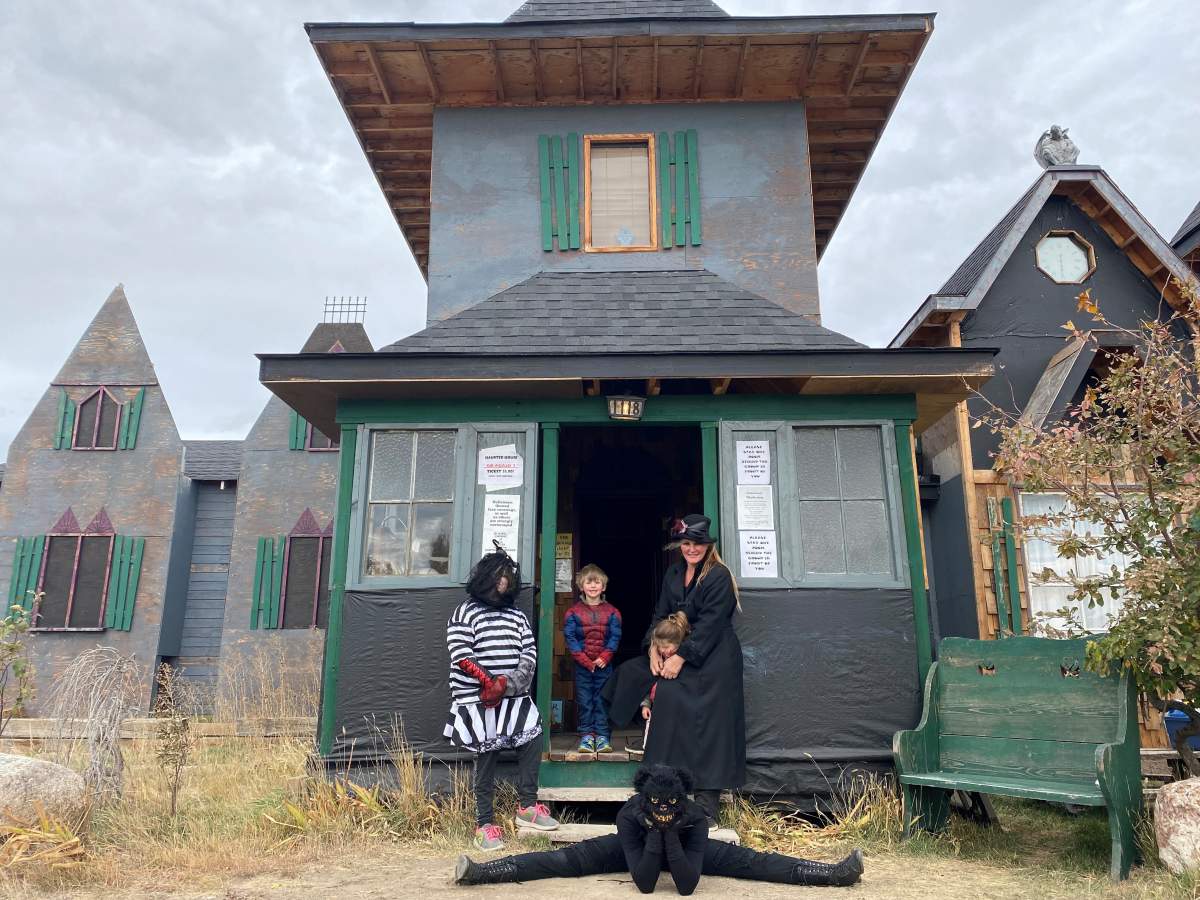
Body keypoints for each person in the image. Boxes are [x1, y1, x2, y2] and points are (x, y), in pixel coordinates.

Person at [453, 765, 864, 892]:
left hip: (686, 845)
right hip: (634, 843)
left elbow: (686, 885)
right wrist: (652, 831)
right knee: (563, 860)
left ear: (682, 801)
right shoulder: (630, 815)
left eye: (671, 805)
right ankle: (484, 872)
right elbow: (646, 884)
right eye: (656, 804)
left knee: (754, 862)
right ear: (643, 800)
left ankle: (831, 873)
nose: (664, 809)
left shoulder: (694, 816)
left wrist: (670, 831)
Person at [605, 514, 745, 826]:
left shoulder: (718, 576)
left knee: (701, 717)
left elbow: (711, 624)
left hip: (713, 657)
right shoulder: (674, 573)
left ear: (708, 546)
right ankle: (658, 787)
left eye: (698, 544)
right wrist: (653, 649)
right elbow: (659, 614)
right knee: (630, 674)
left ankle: (706, 804)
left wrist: (680, 657)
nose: (692, 549)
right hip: (674, 649)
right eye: (686, 543)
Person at [445, 543, 559, 850]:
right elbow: (460, 654)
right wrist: (487, 683)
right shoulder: (465, 612)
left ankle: (527, 807)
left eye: (507, 576)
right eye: (498, 576)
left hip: (513, 696)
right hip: (478, 699)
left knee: (532, 737)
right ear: (485, 577)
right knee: (486, 757)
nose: (503, 581)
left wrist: (506, 684)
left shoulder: (516, 615)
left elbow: (529, 653)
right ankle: (484, 824)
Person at [564, 564, 623, 753]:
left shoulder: (613, 612)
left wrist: (606, 656)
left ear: (603, 587)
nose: (593, 585)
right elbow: (570, 638)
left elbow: (615, 637)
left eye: (597, 582)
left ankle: (603, 737)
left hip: (604, 666)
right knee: (585, 701)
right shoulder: (572, 612)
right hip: (583, 666)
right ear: (581, 586)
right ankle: (587, 737)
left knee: (602, 700)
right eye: (588, 582)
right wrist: (584, 661)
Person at [638, 613, 691, 743]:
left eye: (666, 647)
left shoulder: (683, 663)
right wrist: (646, 705)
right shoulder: (659, 660)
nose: (662, 650)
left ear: (678, 643)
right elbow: (649, 684)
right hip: (656, 706)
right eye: (659, 647)